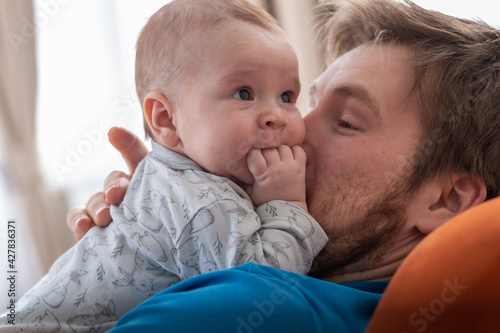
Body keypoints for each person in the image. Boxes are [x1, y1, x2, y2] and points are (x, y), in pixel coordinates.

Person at [68, 0, 500, 331]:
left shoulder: (253, 304)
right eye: (303, 103)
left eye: (346, 122)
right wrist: (155, 237)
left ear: (446, 198)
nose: (292, 130)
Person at [0, 0, 329, 331]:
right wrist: (285, 204)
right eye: (244, 93)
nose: (276, 115)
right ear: (166, 119)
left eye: (287, 97)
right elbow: (264, 291)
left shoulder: (177, 181)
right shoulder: (204, 200)